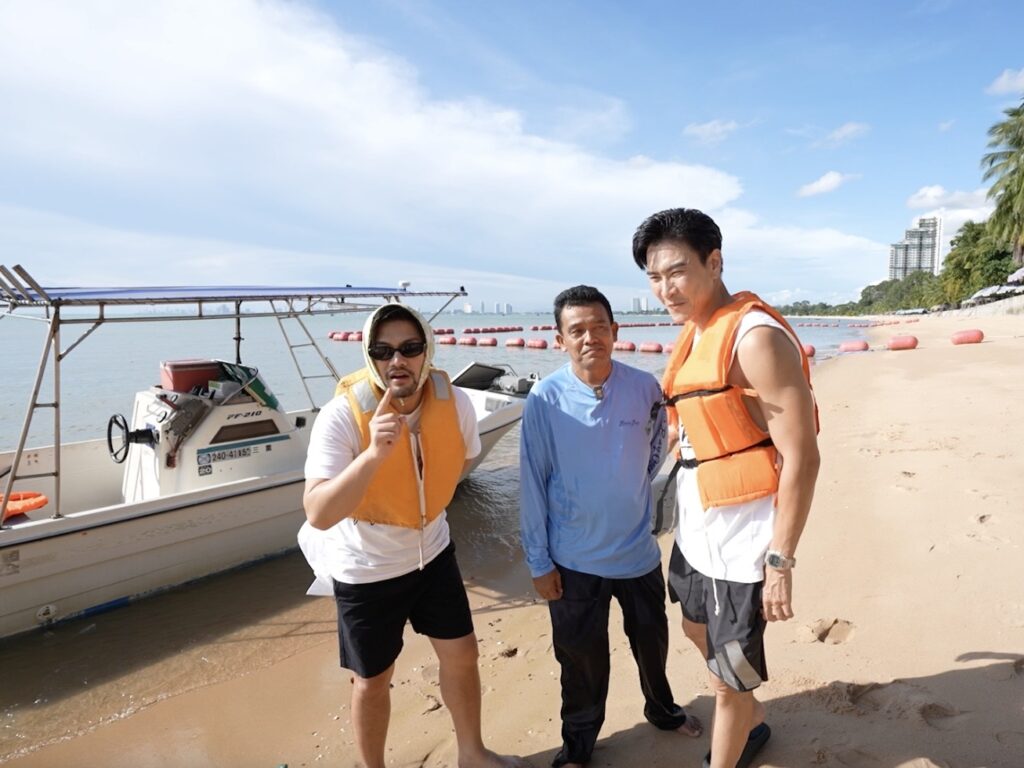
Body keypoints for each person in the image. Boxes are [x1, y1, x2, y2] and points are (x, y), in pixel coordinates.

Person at [299, 303, 526, 768]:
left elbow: (461, 462)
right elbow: (318, 512)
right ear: (369, 356)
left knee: (462, 654)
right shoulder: (342, 415)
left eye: (409, 348)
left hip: (433, 551)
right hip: (366, 566)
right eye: (382, 351)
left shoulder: (455, 403)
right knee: (372, 679)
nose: (396, 361)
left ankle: (472, 753)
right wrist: (373, 457)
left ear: (428, 350)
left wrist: (421, 497)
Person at [632, 208, 820, 768]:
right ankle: (751, 716)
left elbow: (803, 455)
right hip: (698, 522)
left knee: (728, 676)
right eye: (654, 277)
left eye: (677, 271)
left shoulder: (754, 339)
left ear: (714, 263)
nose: (665, 289)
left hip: (744, 537)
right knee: (693, 625)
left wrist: (780, 560)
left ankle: (733, 737)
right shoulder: (694, 332)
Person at [519, 284, 704, 768]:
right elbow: (532, 482)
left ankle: (663, 711)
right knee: (580, 661)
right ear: (560, 339)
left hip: (637, 552)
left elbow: (655, 448)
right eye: (577, 330)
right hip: (573, 560)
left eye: (599, 327)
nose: (590, 338)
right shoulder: (544, 398)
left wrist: (628, 489)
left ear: (615, 331)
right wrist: (539, 562)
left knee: (652, 645)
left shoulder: (644, 388)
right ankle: (578, 746)